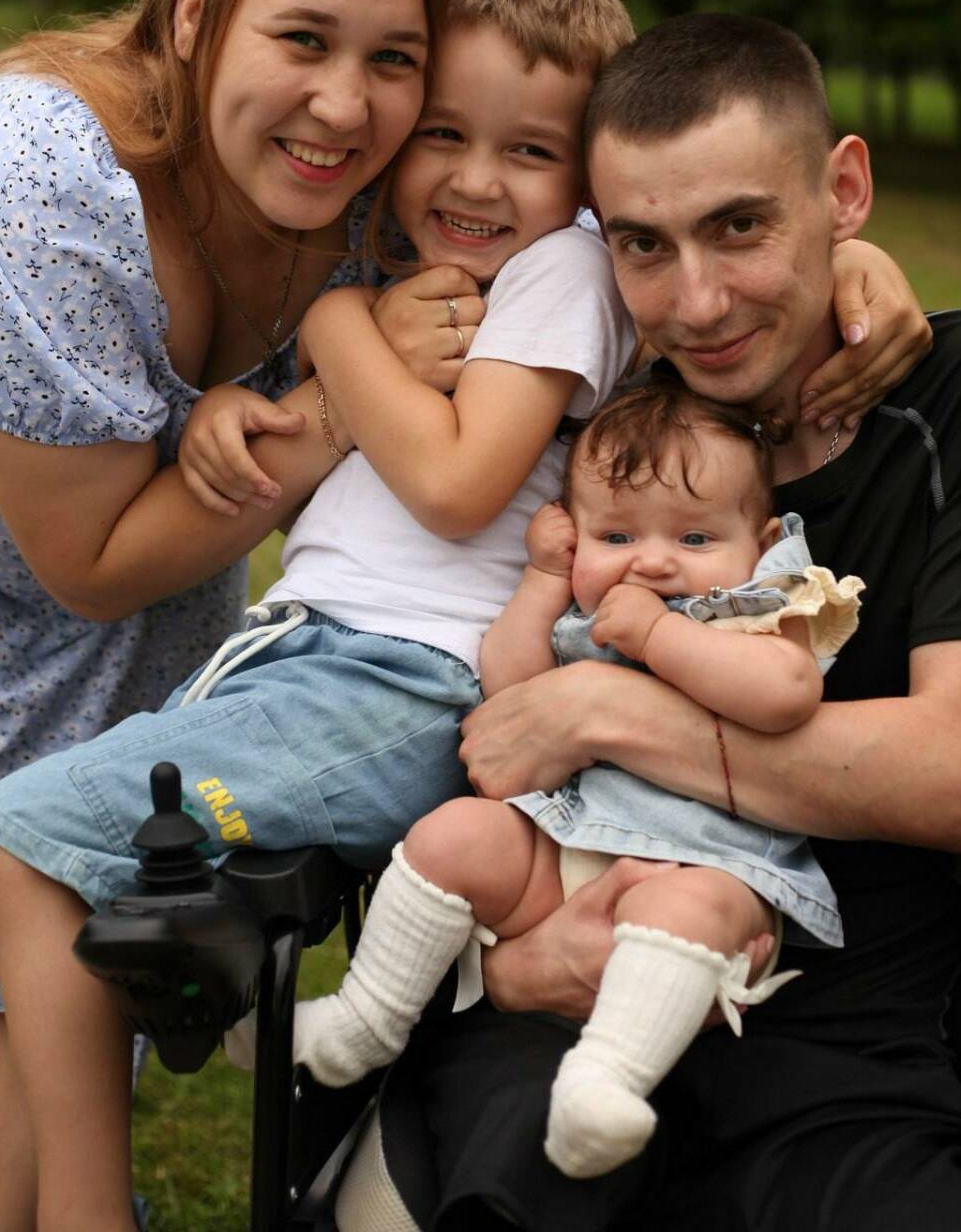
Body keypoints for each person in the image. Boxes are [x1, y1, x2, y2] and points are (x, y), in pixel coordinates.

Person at [367, 12, 961, 1232]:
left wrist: (603, 708)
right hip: (563, 983)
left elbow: (950, 776)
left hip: (853, 1037)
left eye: (742, 226)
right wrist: (512, 966)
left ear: (843, 191)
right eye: (644, 244)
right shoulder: (602, 421)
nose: (697, 303)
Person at [0, 0, 642, 1232]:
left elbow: (454, 485)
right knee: (35, 965)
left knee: (12, 844)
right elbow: (331, 446)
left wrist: (336, 326)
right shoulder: (405, 273)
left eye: (532, 151)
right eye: (444, 132)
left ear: (591, 177)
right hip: (307, 664)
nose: (476, 179)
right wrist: (233, 413)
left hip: (407, 683)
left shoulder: (565, 272)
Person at [0, 0, 465, 1228]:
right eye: (303, 38)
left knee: (58, 1023)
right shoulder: (32, 179)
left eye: (394, 58)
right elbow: (88, 566)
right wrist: (339, 402)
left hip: (179, 639)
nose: (345, 105)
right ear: (199, 11)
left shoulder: (388, 191)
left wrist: (850, 275)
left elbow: (596, 170)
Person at [293, 379, 864, 1183]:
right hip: (564, 847)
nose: (653, 560)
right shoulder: (584, 609)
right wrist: (541, 579)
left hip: (710, 865)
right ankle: (365, 1021)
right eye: (616, 534)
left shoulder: (757, 605)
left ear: (762, 540)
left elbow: (785, 694)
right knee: (458, 834)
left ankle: (605, 1082)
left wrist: (660, 638)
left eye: (695, 537)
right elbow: (511, 689)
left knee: (689, 909)